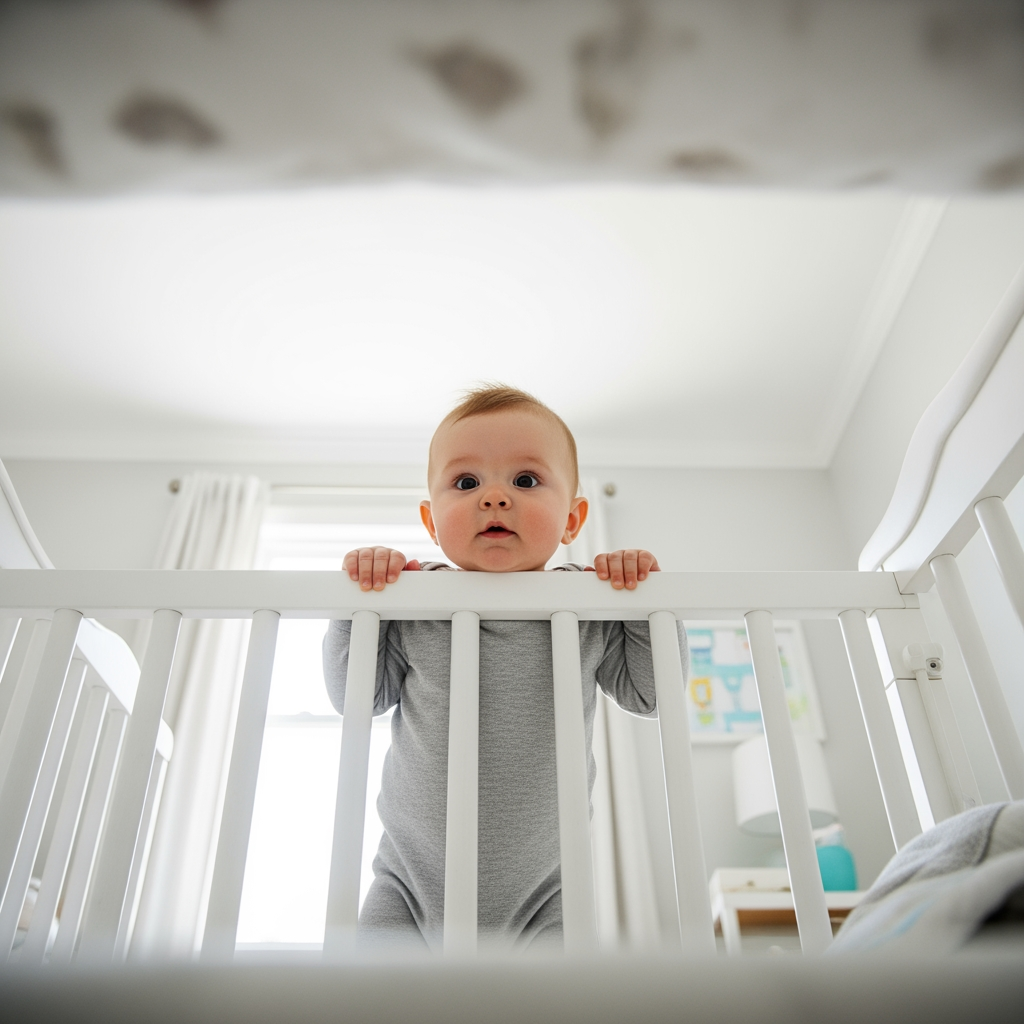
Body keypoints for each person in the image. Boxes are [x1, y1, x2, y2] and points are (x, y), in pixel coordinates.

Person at [323, 384, 685, 951]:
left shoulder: (587, 600)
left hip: (546, 892)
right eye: (466, 483)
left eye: (525, 481)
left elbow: (652, 694)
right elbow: (355, 698)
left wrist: (642, 603)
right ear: (430, 520)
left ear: (573, 517)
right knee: (367, 1001)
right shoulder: (413, 598)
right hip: (408, 885)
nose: (494, 498)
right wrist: (359, 605)